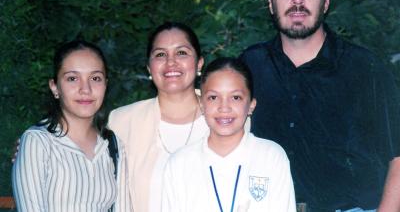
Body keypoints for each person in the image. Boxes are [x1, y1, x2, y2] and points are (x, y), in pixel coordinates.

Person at [240, 0, 400, 212]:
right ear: (271, 3)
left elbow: (398, 153)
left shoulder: (365, 68)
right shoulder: (249, 66)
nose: (297, 0)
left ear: (325, 2)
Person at [162, 57, 296, 212]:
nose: (224, 107)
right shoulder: (180, 163)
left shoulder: (271, 156)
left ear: (251, 105)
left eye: (236, 97)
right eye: (213, 97)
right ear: (201, 104)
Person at [12, 40, 132, 212]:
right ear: (55, 87)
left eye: (95, 78)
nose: (85, 89)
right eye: (72, 78)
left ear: (106, 84)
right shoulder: (37, 142)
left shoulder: (113, 145)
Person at [108, 22, 211, 212]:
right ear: (149, 68)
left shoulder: (229, 116)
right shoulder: (122, 122)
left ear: (199, 63)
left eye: (181, 52)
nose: (171, 62)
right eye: (160, 54)